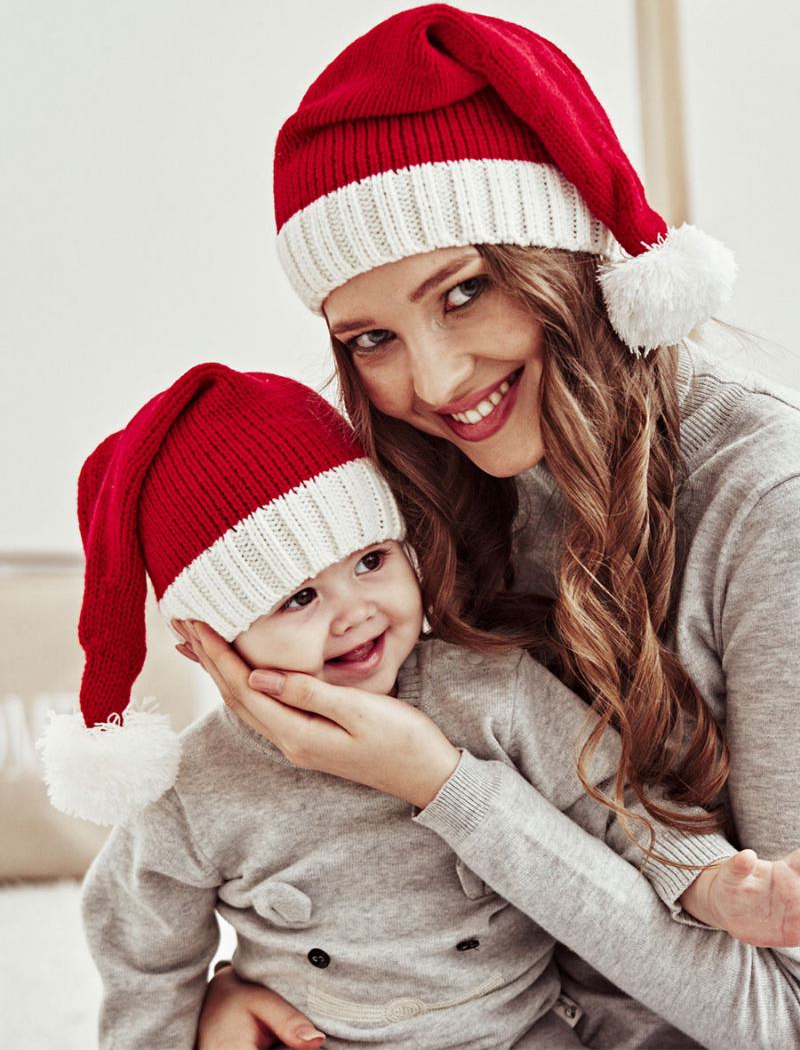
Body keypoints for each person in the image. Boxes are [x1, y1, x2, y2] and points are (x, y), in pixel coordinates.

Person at [182, 3, 800, 1050]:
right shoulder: (413, 496)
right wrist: (249, 986)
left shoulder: (762, 502)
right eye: (371, 336)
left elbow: (780, 1012)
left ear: (562, 257)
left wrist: (442, 785)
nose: (429, 379)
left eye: (464, 290)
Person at [39, 364, 800, 1050]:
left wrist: (713, 887)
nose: (353, 611)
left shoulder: (486, 690)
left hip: (528, 1029)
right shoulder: (197, 788)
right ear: (207, 644)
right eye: (299, 597)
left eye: (370, 560)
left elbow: (613, 802)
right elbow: (142, 953)